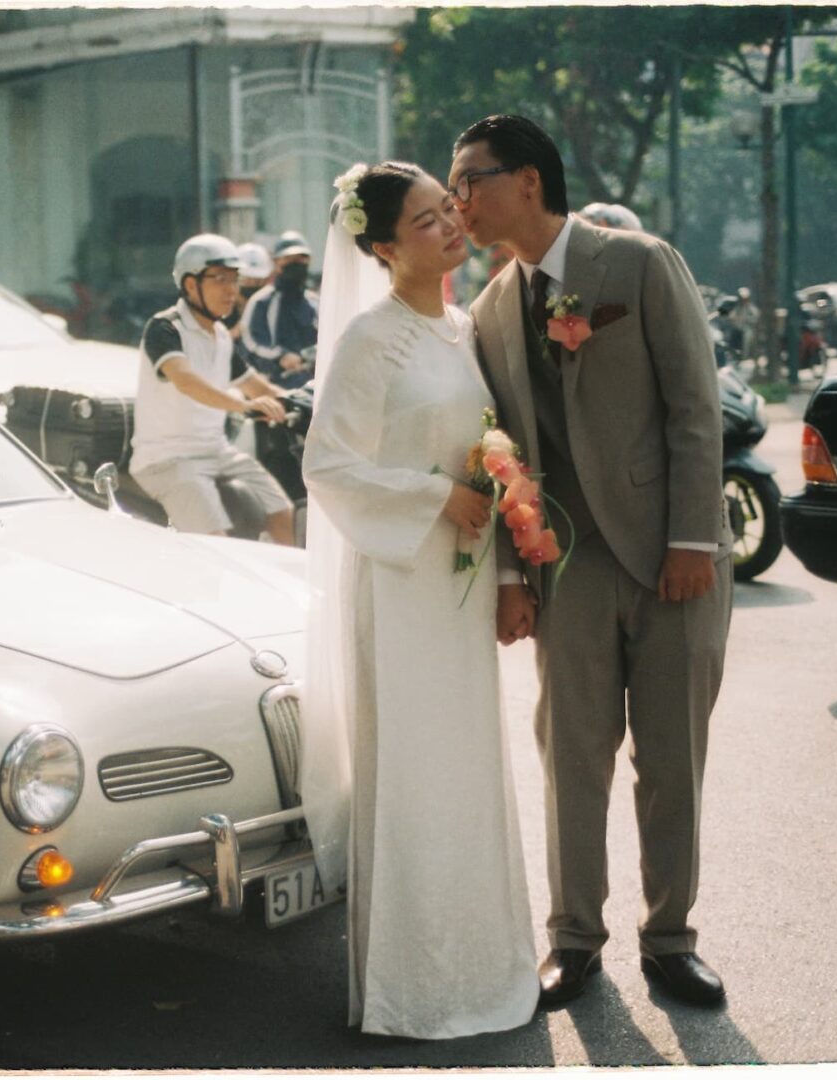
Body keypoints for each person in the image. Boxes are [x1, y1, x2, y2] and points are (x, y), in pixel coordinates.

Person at [448, 114, 733, 1009]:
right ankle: (573, 939)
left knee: (673, 758)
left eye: (470, 180)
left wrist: (693, 537)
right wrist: (510, 576)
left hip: (668, 559)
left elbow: (695, 405)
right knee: (572, 758)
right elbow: (496, 451)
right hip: (563, 569)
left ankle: (670, 938)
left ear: (527, 180)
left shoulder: (639, 263)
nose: (458, 201)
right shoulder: (491, 309)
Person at [298, 161, 538, 1038]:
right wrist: (436, 498)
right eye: (429, 221)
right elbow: (327, 464)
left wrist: (512, 574)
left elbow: (494, 451)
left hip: (462, 589)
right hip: (400, 588)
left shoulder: (464, 328)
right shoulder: (374, 337)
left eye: (450, 211)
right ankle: (417, 990)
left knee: (469, 772)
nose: (451, 227)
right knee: (415, 777)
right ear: (382, 247)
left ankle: (484, 971)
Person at [128, 233, 297, 545]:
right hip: (169, 458)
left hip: (217, 451)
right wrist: (245, 406)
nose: (231, 290)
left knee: (283, 512)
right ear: (191, 285)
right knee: (218, 544)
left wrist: (301, 403)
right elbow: (187, 382)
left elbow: (256, 385)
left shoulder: (219, 335)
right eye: (220, 279)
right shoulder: (165, 328)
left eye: (235, 279)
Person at [241, 230, 319, 389]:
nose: (295, 263)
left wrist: (310, 356)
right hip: (275, 388)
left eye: (300, 258)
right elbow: (251, 341)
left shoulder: (315, 302)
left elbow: (329, 340)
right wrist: (281, 356)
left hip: (315, 388)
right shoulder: (261, 302)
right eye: (288, 259)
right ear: (276, 262)